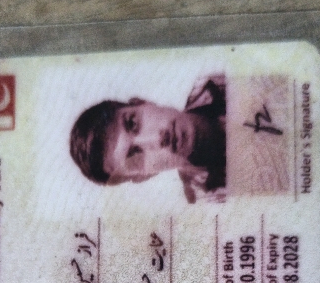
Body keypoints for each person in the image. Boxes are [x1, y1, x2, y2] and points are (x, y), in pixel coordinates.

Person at [69, 75, 226, 203]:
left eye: (132, 123)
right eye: (135, 157)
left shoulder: (224, 77)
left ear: (142, 103)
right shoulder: (210, 205)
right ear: (143, 176)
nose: (157, 139)